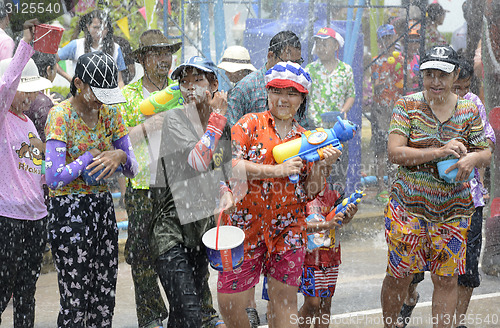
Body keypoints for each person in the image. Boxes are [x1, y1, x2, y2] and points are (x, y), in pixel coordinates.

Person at [217, 61, 340, 328]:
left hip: (289, 229)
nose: (283, 99)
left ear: (302, 97)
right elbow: (230, 165)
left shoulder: (306, 137)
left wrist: (322, 165)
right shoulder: (249, 124)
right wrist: (276, 170)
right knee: (228, 303)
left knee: (284, 302)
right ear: (267, 92)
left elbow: (310, 191)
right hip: (244, 227)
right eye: (277, 91)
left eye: (291, 93)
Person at [381, 45, 491, 328]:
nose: (436, 82)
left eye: (442, 75)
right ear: (422, 76)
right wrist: (439, 152)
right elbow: (395, 152)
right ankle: (390, 325)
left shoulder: (468, 109)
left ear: (455, 75)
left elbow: (485, 152)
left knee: (447, 278)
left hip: (454, 211)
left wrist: (472, 160)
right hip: (408, 208)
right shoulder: (407, 106)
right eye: (429, 74)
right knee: (399, 275)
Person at [44, 51, 138, 327]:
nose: (100, 102)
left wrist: (119, 157)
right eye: (96, 94)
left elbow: (133, 168)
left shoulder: (110, 114)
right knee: (75, 300)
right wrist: (89, 157)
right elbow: (53, 176)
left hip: (101, 210)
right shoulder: (60, 115)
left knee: (104, 296)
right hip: (68, 215)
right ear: (78, 83)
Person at [149, 56, 231, 328]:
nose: (190, 87)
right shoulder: (174, 120)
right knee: (192, 314)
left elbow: (220, 171)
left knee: (182, 317)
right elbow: (197, 161)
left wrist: (224, 191)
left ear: (214, 84)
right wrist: (217, 119)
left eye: (198, 80)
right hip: (169, 234)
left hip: (198, 234)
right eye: (184, 82)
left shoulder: (223, 126)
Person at [118, 29, 181, 328]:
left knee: (181, 253)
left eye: (167, 52)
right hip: (143, 186)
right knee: (142, 257)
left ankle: (189, 312)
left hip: (177, 183)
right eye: (156, 53)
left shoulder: (180, 90)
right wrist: (147, 126)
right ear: (142, 59)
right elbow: (118, 142)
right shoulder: (128, 96)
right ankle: (152, 317)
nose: (164, 59)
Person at [0, 19, 52, 328]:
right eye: (24, 90)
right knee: (3, 286)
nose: (29, 98)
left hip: (36, 217)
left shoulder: (29, 123)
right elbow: (6, 86)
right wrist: (26, 44)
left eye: (32, 92)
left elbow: (39, 170)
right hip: (8, 217)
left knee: (26, 291)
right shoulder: (3, 118)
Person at [297, 185, 358, 328]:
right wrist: (326, 224)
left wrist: (350, 214)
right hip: (309, 258)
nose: (327, 171)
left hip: (331, 256)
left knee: (325, 305)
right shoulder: (302, 194)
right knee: (312, 303)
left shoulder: (336, 194)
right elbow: (299, 225)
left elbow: (342, 221)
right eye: (323, 167)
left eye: (329, 167)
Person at [306, 26, 355, 189]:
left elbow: (351, 94)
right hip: (316, 129)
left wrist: (344, 110)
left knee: (339, 166)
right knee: (317, 165)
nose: (320, 48)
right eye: (318, 44)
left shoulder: (345, 70)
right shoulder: (310, 70)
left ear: (335, 46)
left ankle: (337, 199)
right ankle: (317, 199)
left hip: (339, 128)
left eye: (325, 44)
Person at [226, 30, 309, 128]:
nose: (292, 68)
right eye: (287, 62)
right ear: (270, 56)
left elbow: (303, 128)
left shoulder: (298, 86)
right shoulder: (245, 88)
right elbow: (233, 131)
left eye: (297, 62)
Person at [371, 24, 404, 202]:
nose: (387, 41)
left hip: (397, 107)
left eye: (390, 37)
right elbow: (375, 86)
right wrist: (386, 78)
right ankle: (381, 187)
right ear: (379, 41)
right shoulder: (376, 61)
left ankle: (394, 184)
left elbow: (407, 82)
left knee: (397, 146)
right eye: (383, 38)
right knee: (381, 150)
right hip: (381, 109)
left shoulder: (401, 59)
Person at [56, 10, 127, 88]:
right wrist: (70, 79)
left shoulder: (116, 49)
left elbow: (120, 80)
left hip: (107, 95)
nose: (99, 31)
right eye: (95, 27)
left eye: (104, 28)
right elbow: (52, 60)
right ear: (88, 26)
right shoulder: (77, 45)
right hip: (81, 94)